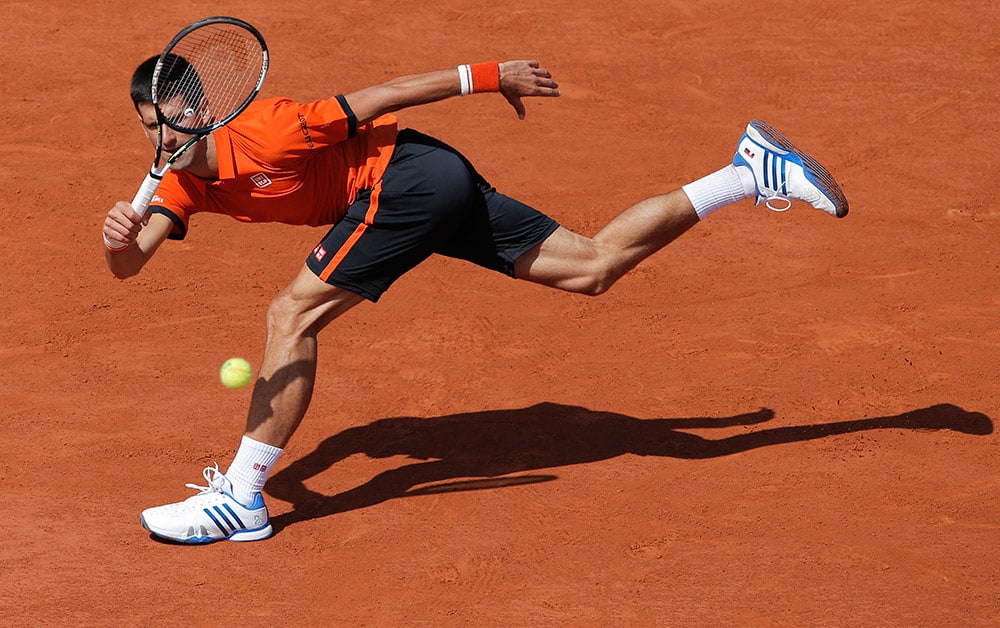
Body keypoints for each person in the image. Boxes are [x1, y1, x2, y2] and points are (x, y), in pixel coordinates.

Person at [103, 55, 848, 544]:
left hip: (405, 181)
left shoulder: (266, 130)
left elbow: (384, 97)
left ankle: (243, 496)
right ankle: (747, 173)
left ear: (197, 110)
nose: (157, 139)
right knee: (590, 268)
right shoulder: (177, 183)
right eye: (147, 129)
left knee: (290, 313)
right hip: (431, 184)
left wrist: (489, 75)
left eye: (165, 122)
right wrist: (117, 239)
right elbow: (128, 267)